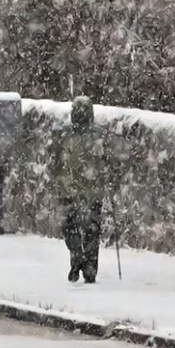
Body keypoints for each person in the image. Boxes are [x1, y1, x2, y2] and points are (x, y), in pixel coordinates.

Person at [55, 96, 108, 283]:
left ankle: (78, 256)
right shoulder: (100, 135)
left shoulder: (63, 135)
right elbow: (108, 162)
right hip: (90, 191)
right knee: (91, 229)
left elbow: (55, 162)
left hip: (70, 190)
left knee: (71, 228)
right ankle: (89, 265)